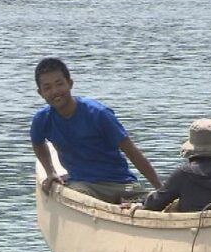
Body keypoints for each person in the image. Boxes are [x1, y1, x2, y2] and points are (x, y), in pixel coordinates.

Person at [30, 57, 162, 203]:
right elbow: (38, 143)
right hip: (84, 186)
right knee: (77, 196)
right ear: (40, 93)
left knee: (148, 201)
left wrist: (161, 190)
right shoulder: (42, 119)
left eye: (59, 84)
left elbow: (132, 152)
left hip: (121, 184)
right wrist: (50, 172)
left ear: (70, 84)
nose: (55, 91)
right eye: (47, 88)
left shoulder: (99, 114)